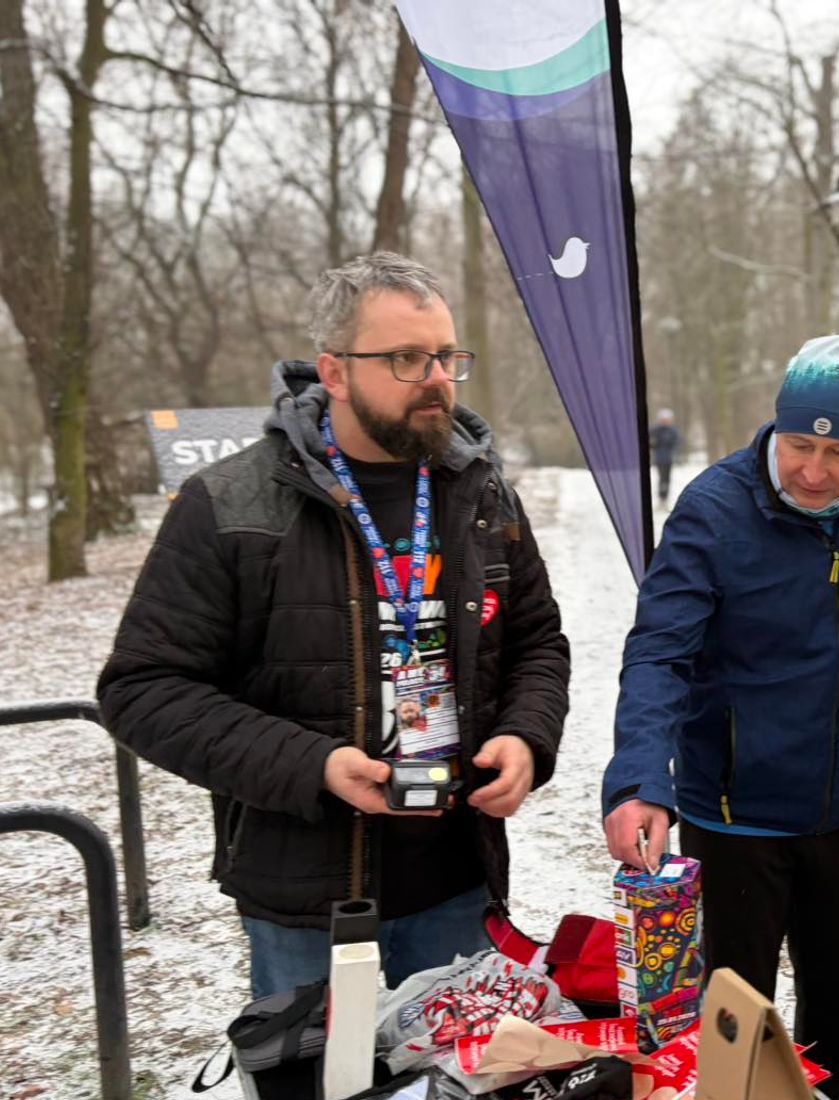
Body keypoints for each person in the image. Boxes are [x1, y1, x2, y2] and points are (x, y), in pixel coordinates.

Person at [98, 251, 571, 998]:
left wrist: (526, 734)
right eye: (407, 358)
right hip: (306, 902)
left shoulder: (479, 492)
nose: (437, 378)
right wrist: (313, 766)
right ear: (336, 372)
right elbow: (142, 689)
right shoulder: (229, 504)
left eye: (448, 356)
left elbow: (538, 639)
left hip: (457, 881)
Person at [601, 331, 839, 1100]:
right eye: (800, 444)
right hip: (737, 814)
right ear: (778, 427)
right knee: (734, 1027)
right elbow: (659, 652)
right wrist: (640, 778)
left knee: (836, 1020)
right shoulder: (714, 509)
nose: (814, 470)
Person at [650, 408, 682, 506]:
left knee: (667, 479)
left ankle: (665, 499)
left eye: (667, 419)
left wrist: (676, 455)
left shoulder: (673, 431)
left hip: (669, 459)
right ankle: (661, 498)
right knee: (661, 479)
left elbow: (677, 443)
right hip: (659, 459)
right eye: (664, 419)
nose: (666, 421)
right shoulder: (655, 430)